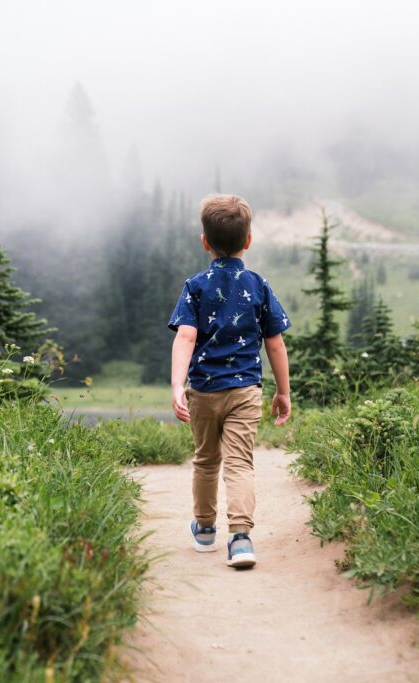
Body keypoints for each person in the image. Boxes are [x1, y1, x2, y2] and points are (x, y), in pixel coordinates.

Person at [168, 194, 292, 569]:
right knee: (239, 463)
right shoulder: (258, 285)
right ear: (248, 240)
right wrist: (283, 391)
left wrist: (177, 387)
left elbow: (185, 337)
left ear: (205, 242)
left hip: (203, 391)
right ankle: (240, 539)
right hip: (245, 392)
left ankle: (205, 530)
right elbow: (275, 342)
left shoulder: (195, 285)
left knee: (206, 460)